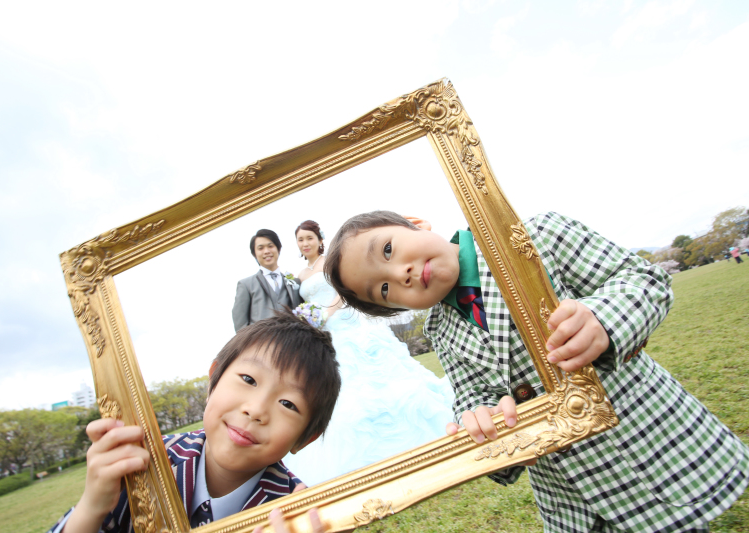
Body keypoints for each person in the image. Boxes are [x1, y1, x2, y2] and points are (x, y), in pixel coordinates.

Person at [324, 210, 749, 533]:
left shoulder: (532, 237)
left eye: (387, 250)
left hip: (646, 448)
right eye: (383, 289)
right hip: (567, 492)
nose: (399, 273)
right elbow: (473, 391)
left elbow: (642, 279)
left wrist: (602, 318)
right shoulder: (440, 327)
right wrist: (479, 417)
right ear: (396, 309)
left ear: (415, 223)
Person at [47, 313, 341, 533]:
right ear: (213, 378)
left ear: (306, 438)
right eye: (249, 379)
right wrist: (92, 507)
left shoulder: (295, 513)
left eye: (288, 404)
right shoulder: (143, 461)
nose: (255, 411)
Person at [282, 220, 455, 487]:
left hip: (345, 320)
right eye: (300, 240)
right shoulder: (300, 275)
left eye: (308, 238)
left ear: (319, 239)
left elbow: (343, 292)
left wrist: (327, 312)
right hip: (326, 334)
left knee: (377, 370)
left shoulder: (332, 262)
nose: (305, 244)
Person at [232, 229, 303, 333]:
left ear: (278, 249)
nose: (266, 251)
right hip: (262, 344)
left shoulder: (295, 282)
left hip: (291, 343)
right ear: (254, 254)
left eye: (270, 246)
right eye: (260, 248)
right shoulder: (246, 285)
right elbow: (240, 326)